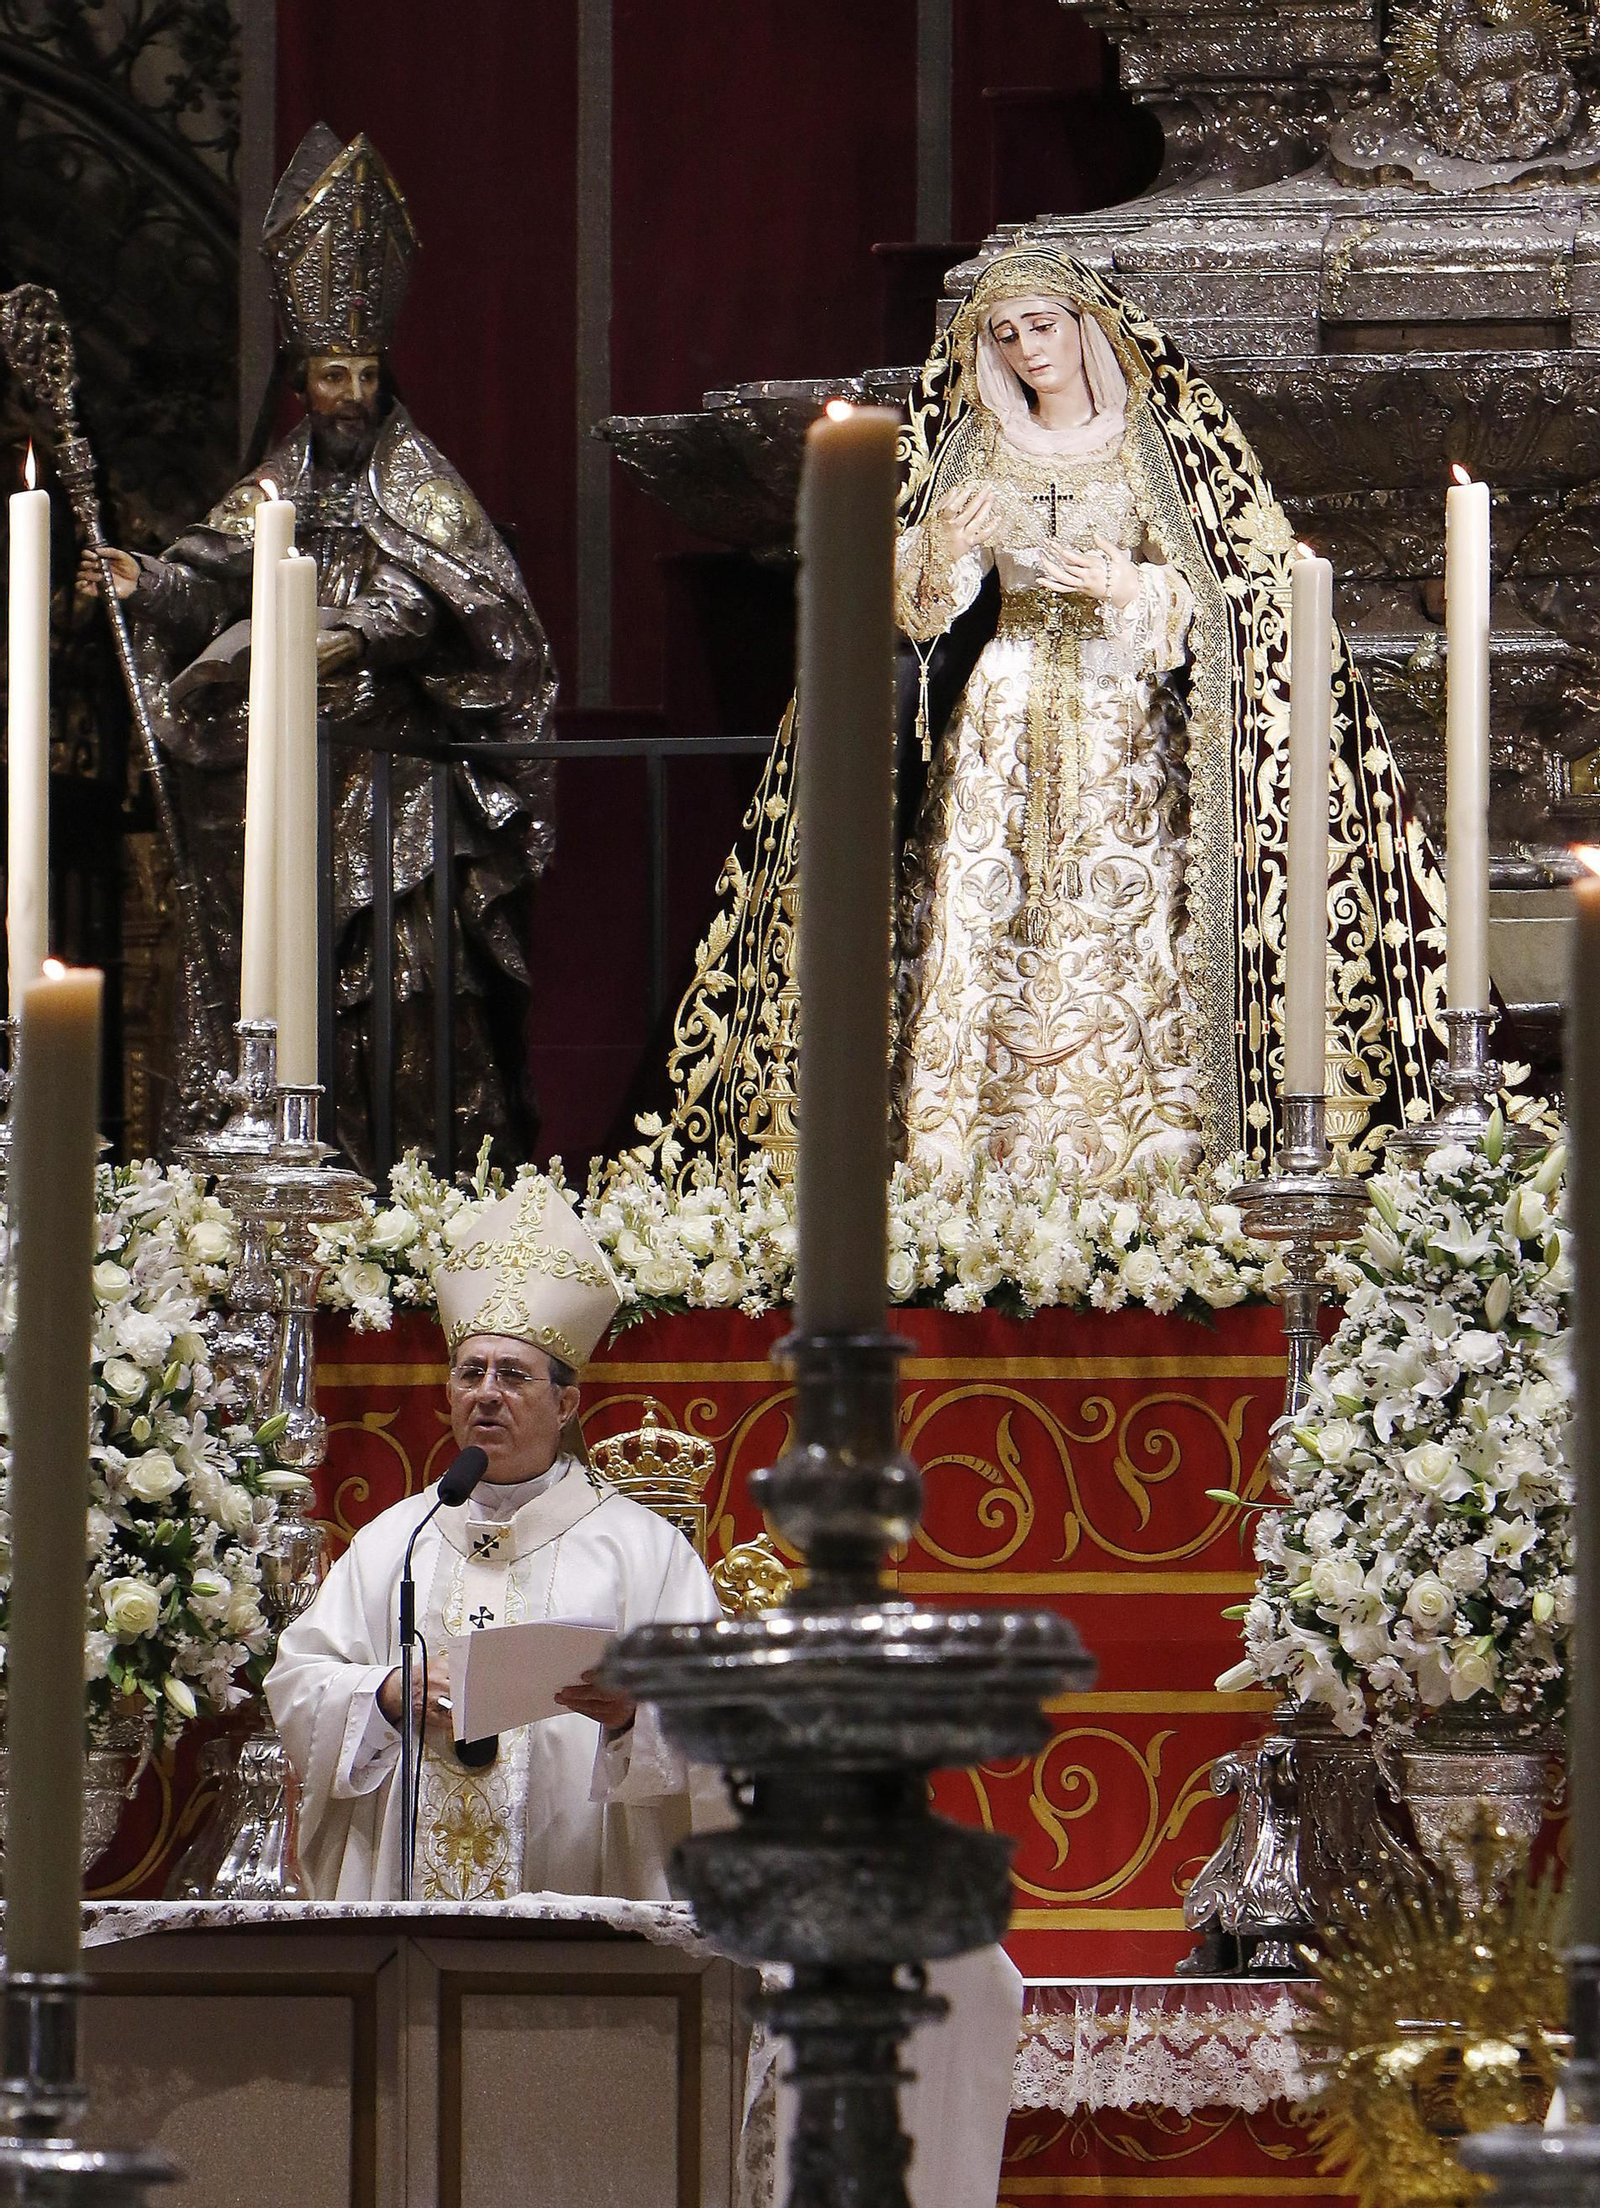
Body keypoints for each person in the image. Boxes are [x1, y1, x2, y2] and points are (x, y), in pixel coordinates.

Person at [631, 246, 1448, 1191]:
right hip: (1005, 703)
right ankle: (968, 1155)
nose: (1027, 349)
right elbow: (915, 611)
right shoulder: (975, 445)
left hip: (1123, 711)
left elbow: (1239, 587)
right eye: (1006, 334)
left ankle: (1156, 1153)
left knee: (1134, 912)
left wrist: (1130, 582)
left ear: (1087, 325)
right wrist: (941, 544)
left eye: (1043, 325)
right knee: (982, 908)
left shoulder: (1160, 438)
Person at [81, 124, 556, 1170]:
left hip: (393, 785)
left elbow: (468, 605)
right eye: (330, 374)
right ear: (302, 380)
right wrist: (142, 579)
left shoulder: (421, 482)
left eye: (364, 372)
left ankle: (418, 1179)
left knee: (406, 980)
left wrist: (362, 637)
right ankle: (289, 1164)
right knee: (281, 979)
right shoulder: (280, 477)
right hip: (288, 781)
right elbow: (208, 570)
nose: (348, 395)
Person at [266, 1180, 720, 1902]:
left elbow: (723, 1712)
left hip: (579, 1898)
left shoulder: (642, 1550)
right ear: (447, 1394)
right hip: (412, 1914)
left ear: (566, 1403)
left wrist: (635, 1712)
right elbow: (298, 1684)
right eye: (470, 1372)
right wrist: (387, 1692)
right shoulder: (398, 1540)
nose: (486, 1392)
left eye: (513, 1375)